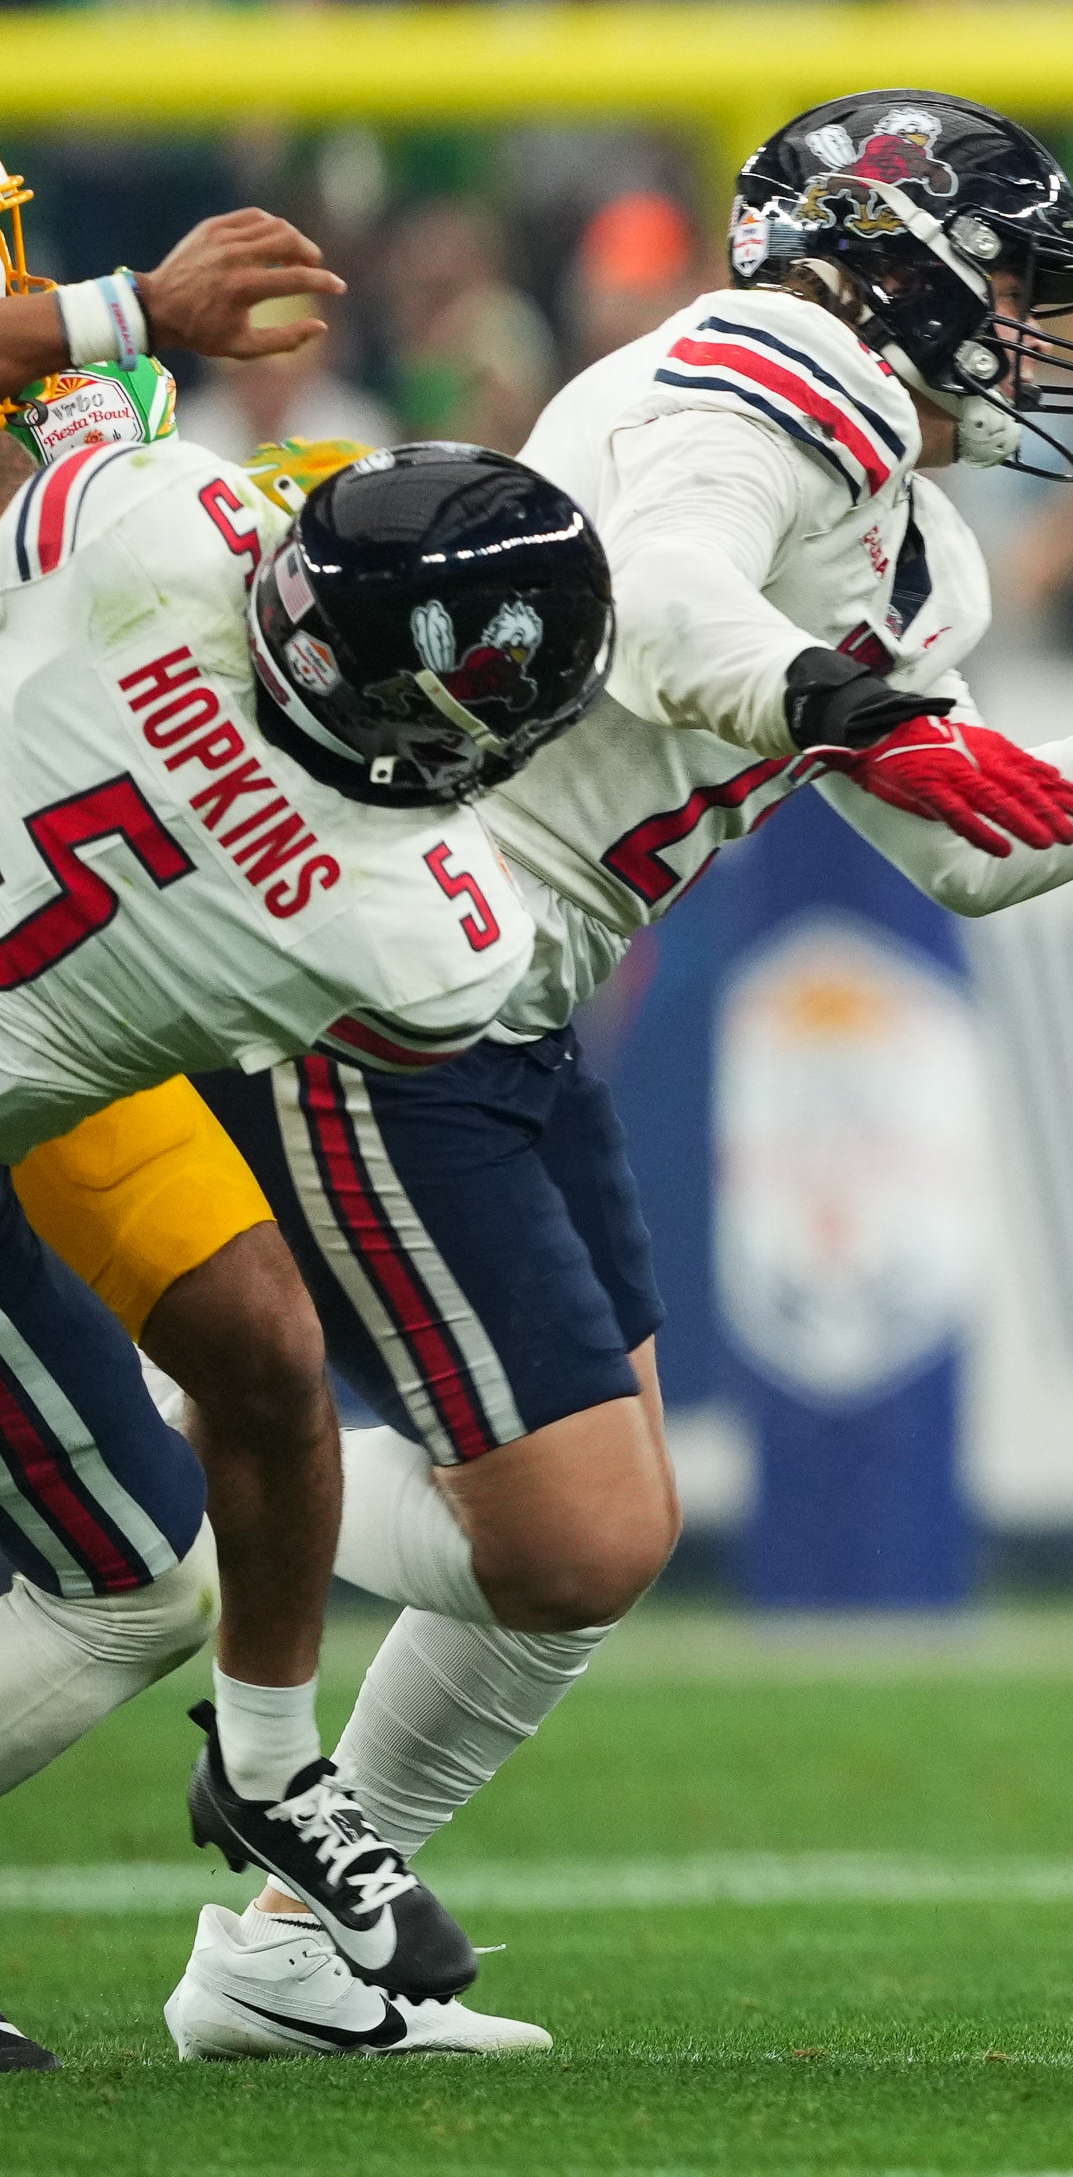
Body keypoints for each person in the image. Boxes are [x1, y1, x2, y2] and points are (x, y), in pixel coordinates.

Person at [174, 91, 1073, 2055]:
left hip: (519, 989)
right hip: (397, 953)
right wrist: (826, 695)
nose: (1027, 334)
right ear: (894, 254)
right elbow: (657, 607)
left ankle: (279, 1951)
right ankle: (165, 1489)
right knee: (579, 1532)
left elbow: (979, 845)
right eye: (1007, 282)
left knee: (592, 1544)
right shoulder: (767, 369)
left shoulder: (920, 549)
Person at [0, 428, 614, 2069]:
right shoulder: (418, 927)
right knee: (126, 1577)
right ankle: (269, 1760)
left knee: (259, 1364)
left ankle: (273, 1762)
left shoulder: (142, 517)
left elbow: (87, 457)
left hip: (36, 1072)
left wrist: (122, 340)